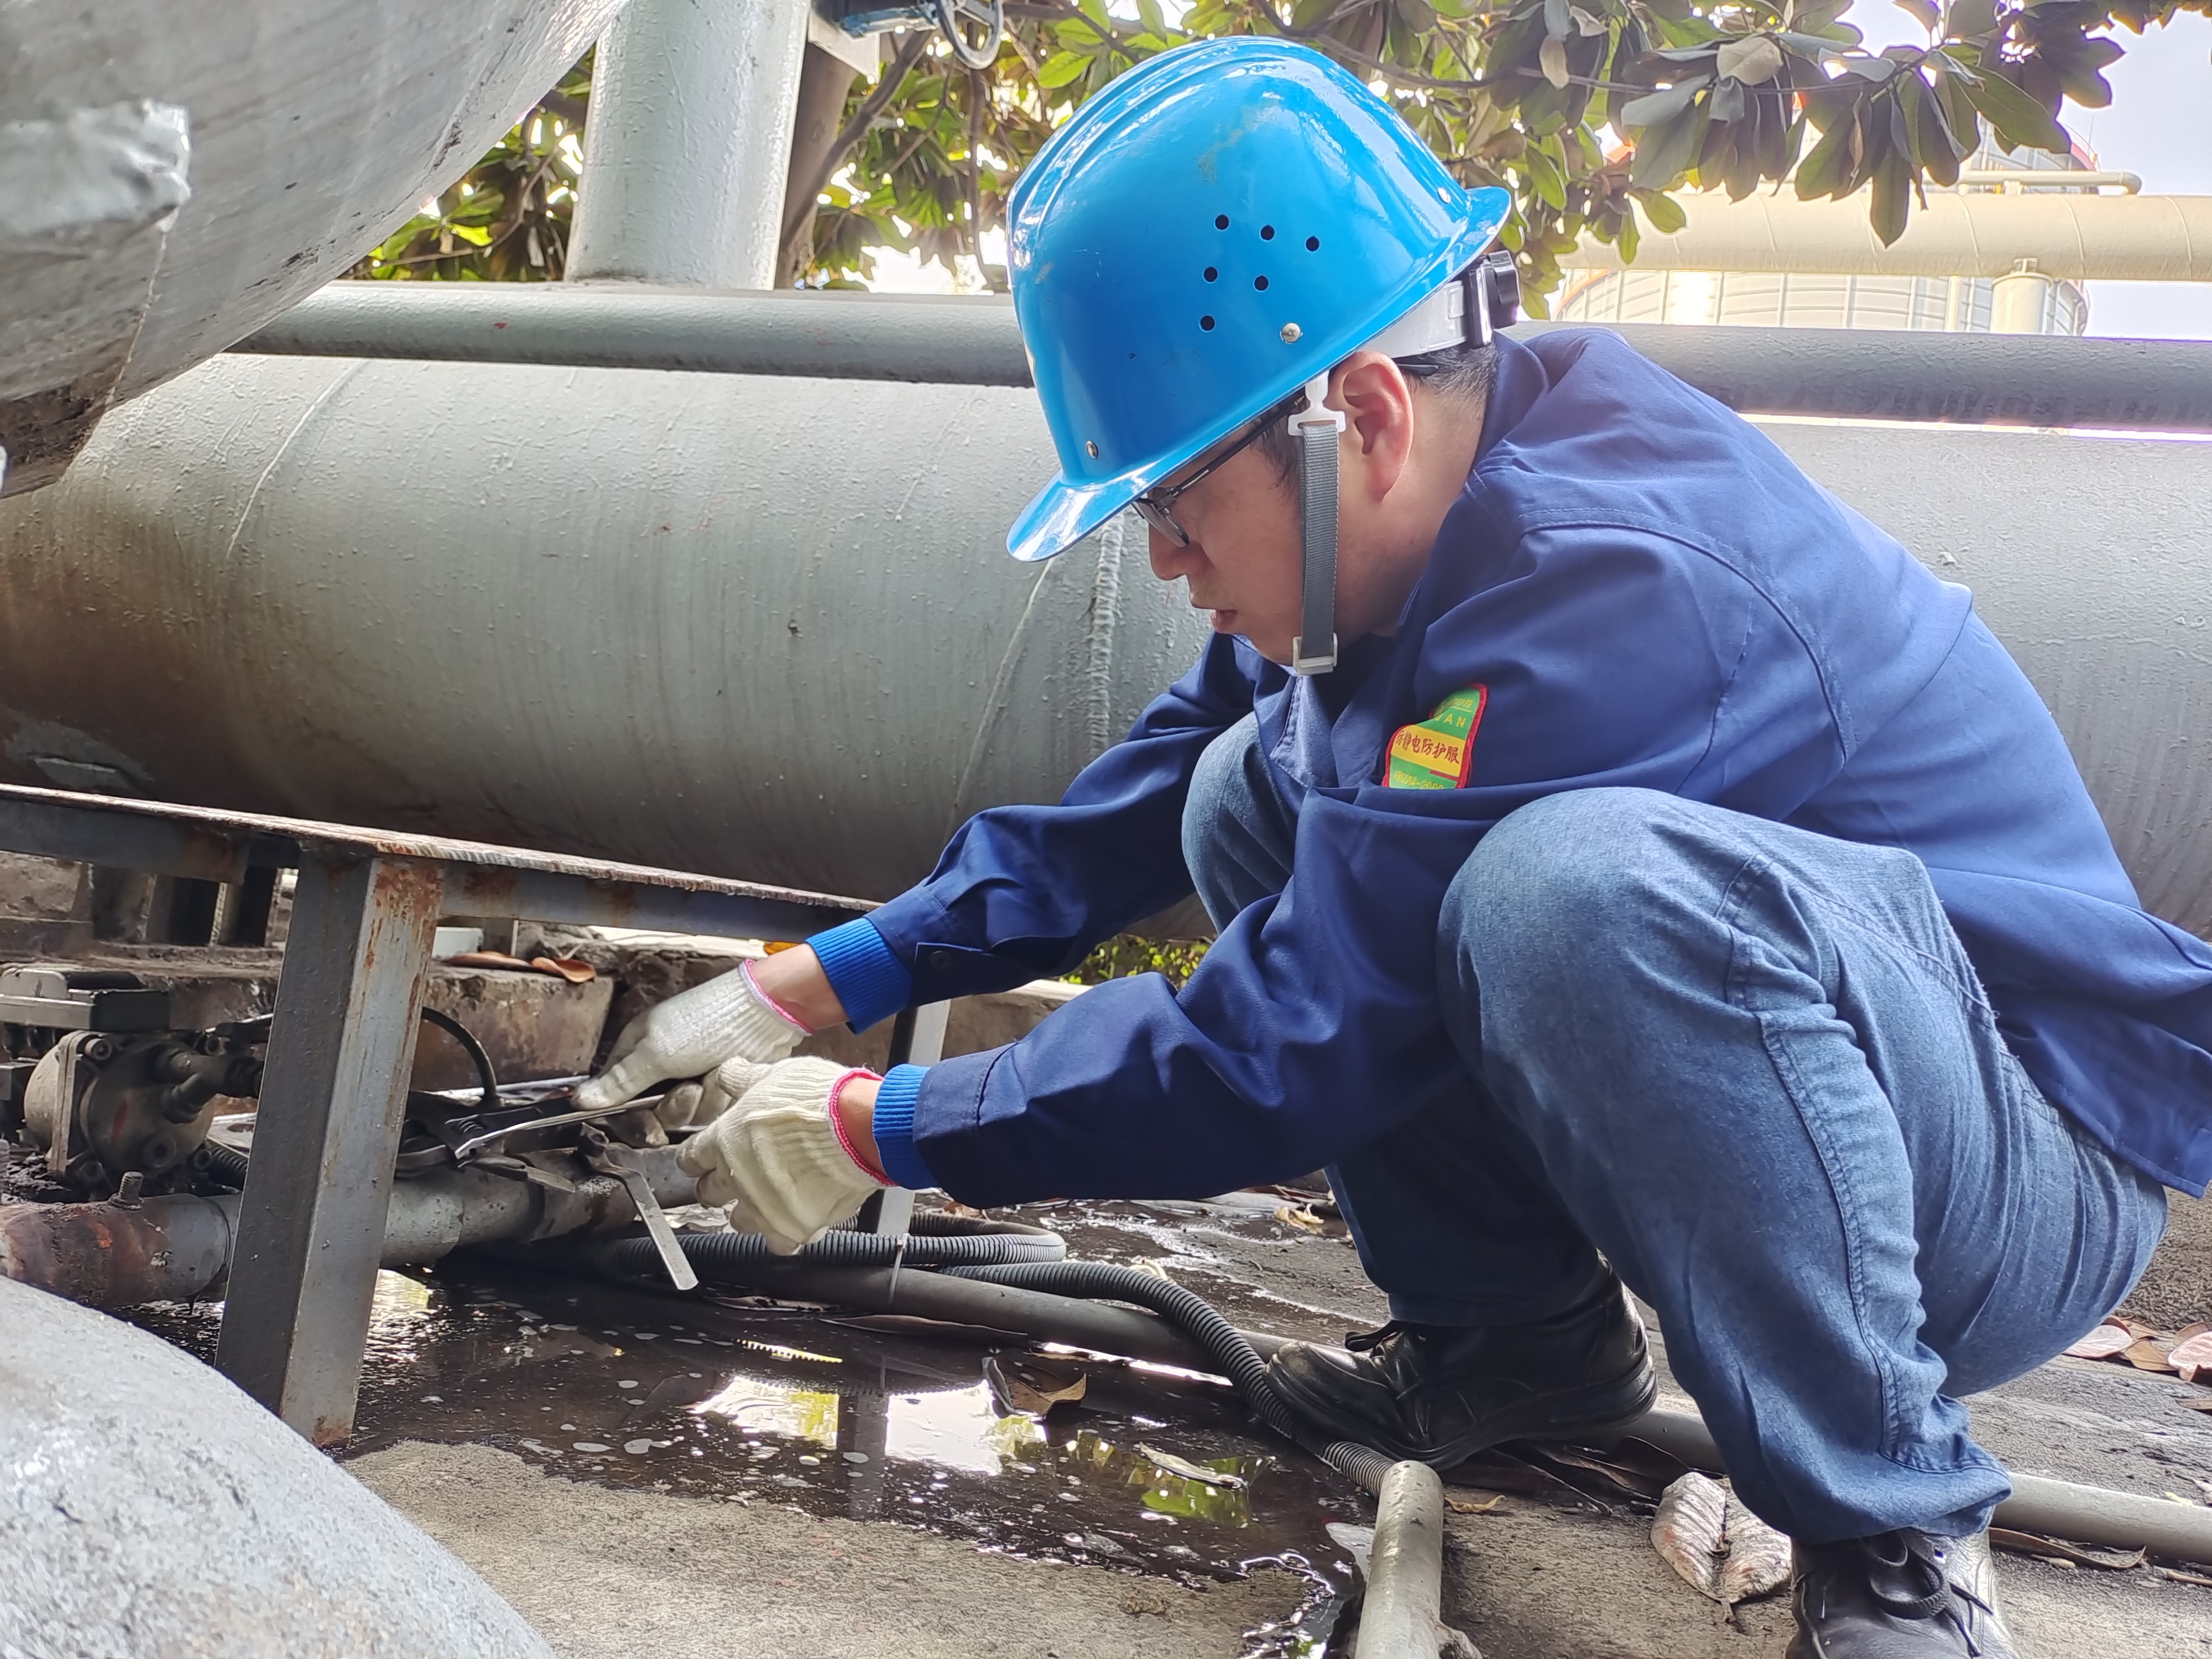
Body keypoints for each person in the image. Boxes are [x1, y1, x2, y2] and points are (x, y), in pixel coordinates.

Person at [575, 38, 2208, 1657]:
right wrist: (812, 984)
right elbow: (1146, 803)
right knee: (1244, 790)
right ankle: (1515, 1345)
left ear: (1350, 415)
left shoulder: (1607, 584)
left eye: (1173, 504)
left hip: (2001, 1179)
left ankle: (1898, 1534)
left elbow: (1292, 1038)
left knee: (1576, 894)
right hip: (1847, 1098)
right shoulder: (1409, 516)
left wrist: (888, 1122)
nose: (1162, 560)